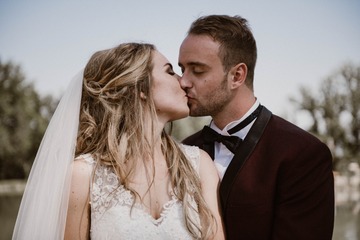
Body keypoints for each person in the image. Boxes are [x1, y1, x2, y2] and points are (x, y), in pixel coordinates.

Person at [12, 43, 224, 240]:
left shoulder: (199, 164)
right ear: (140, 87)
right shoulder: (84, 176)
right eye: (170, 71)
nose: (183, 82)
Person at [179, 15, 334, 239]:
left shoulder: (303, 154)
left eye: (197, 70)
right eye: (182, 68)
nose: (183, 81)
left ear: (237, 76)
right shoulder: (185, 149)